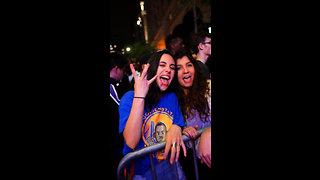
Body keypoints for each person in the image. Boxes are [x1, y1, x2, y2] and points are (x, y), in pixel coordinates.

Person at [119, 50, 187, 180]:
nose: (168, 70)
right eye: (162, 65)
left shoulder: (172, 97)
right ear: (152, 68)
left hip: (168, 164)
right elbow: (131, 142)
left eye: (172, 67)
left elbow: (178, 122)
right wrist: (139, 96)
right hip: (141, 171)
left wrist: (176, 127)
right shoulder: (129, 98)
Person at [173, 49, 212, 179]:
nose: (186, 70)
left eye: (189, 65)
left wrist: (208, 132)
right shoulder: (173, 100)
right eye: (179, 68)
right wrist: (183, 130)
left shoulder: (208, 88)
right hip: (197, 166)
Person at [109, 52, 130, 180]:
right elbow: (120, 111)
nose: (123, 74)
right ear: (116, 68)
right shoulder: (111, 87)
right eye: (123, 70)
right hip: (114, 143)